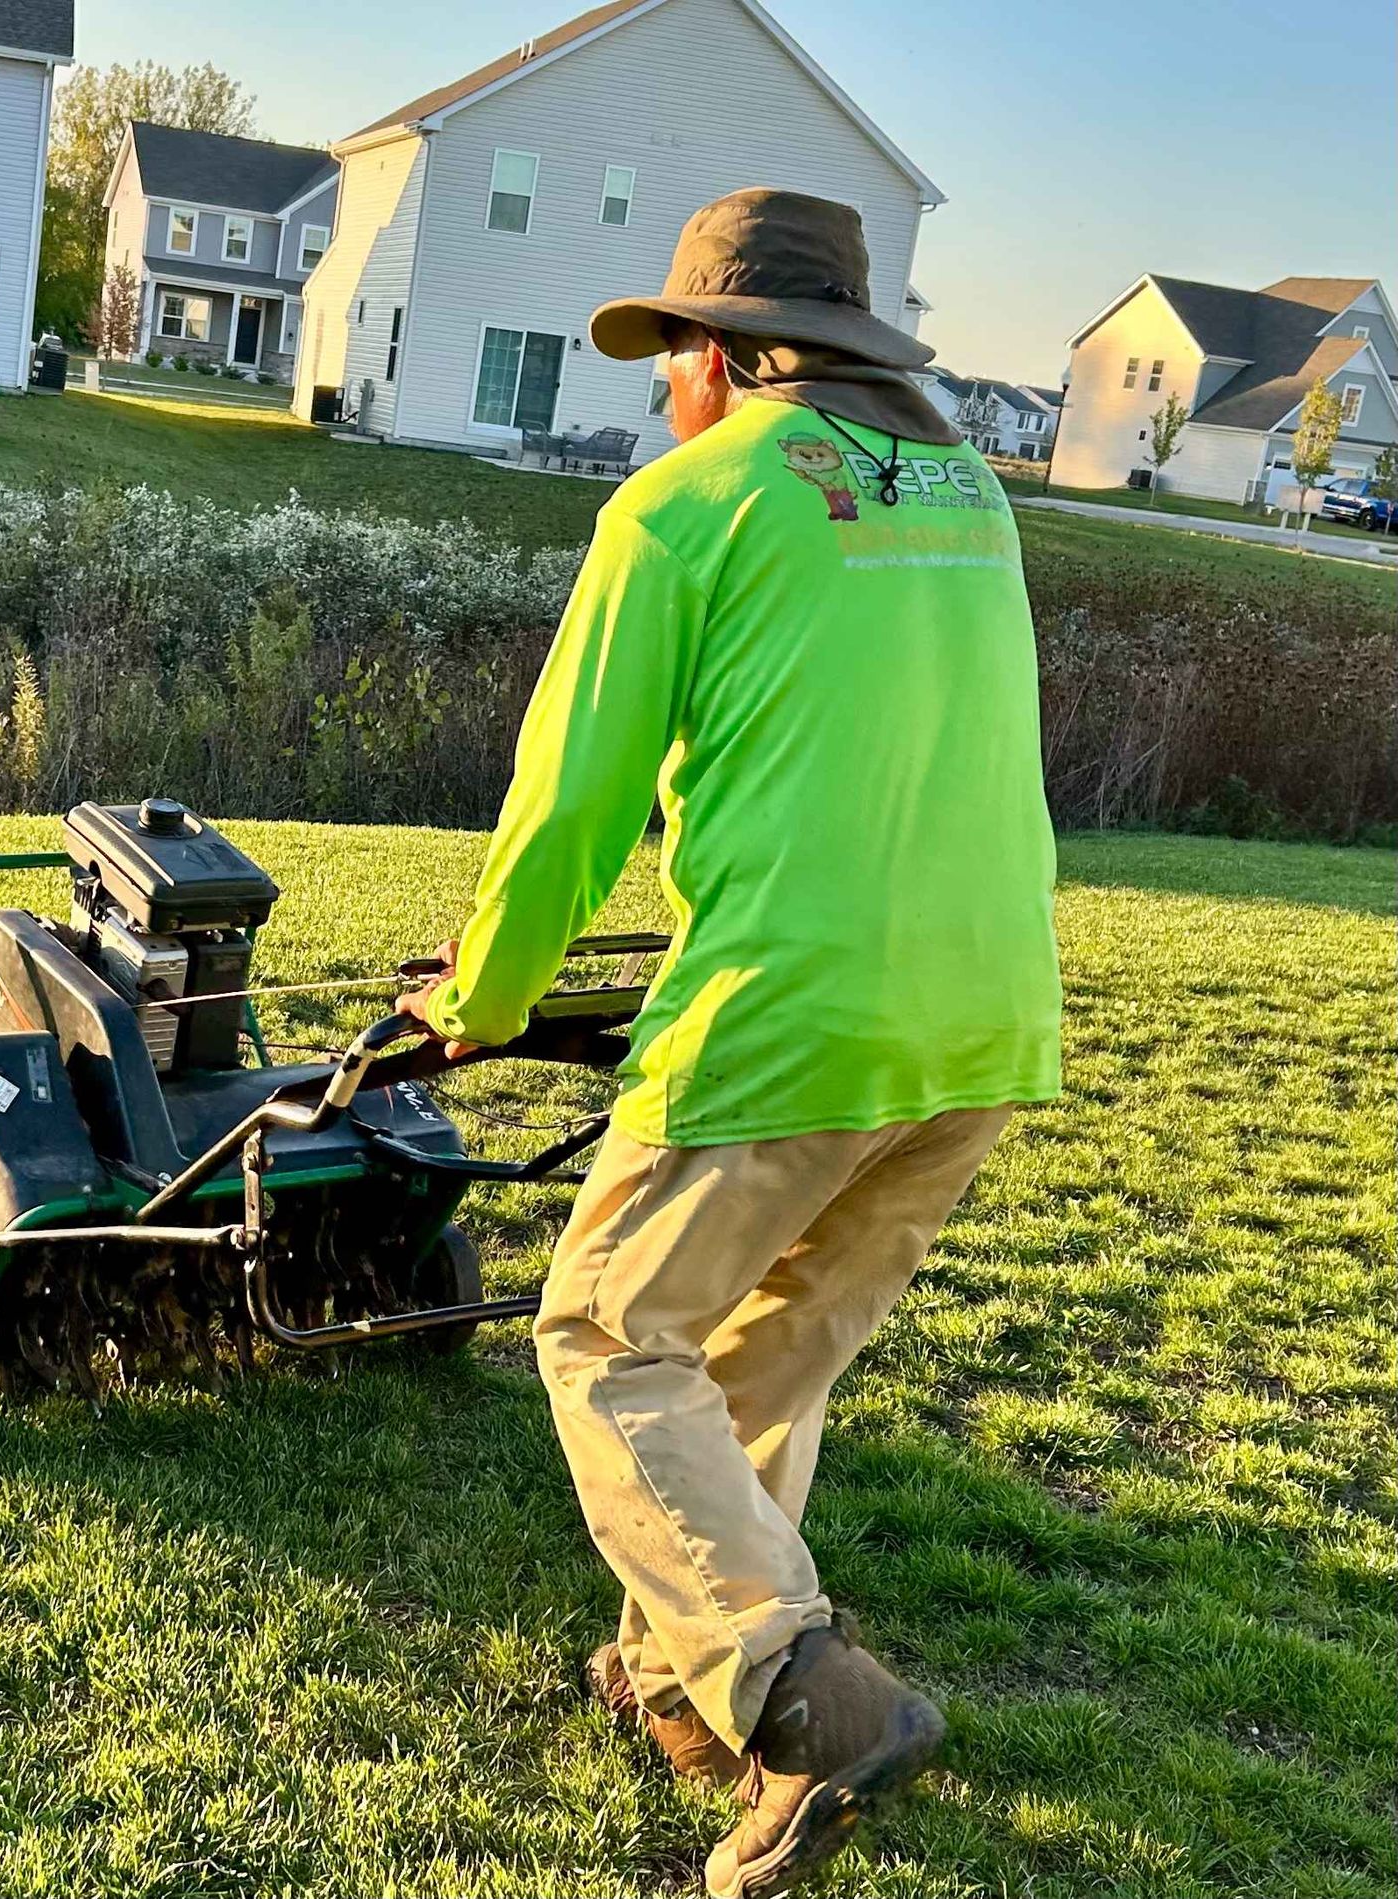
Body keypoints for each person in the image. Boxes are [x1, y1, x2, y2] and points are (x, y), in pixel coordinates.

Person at [398, 189, 1062, 1899]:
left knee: (610, 1337)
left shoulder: (683, 510)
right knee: (766, 1356)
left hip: (789, 1014)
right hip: (983, 1025)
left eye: (671, 354)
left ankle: (793, 1689)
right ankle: (687, 1683)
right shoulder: (969, 493)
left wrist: (475, 1001)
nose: (664, 389)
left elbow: (568, 815)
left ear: (726, 354)